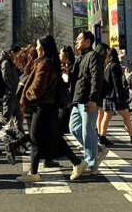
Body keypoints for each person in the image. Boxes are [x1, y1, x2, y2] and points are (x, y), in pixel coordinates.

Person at [16, 35, 88, 183]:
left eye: (38, 46)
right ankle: (77, 162)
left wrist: (26, 97)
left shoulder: (45, 64)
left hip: (43, 106)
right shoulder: (47, 62)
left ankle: (34, 173)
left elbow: (38, 88)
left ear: (44, 47)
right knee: (53, 138)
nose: (36, 48)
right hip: (47, 107)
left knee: (35, 137)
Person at [69, 30, 108, 176]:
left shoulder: (94, 56)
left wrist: (93, 99)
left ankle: (92, 164)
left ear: (88, 41)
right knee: (73, 128)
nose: (76, 41)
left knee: (88, 132)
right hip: (77, 99)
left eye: (79, 39)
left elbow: (96, 79)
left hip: (88, 100)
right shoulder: (80, 57)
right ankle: (98, 150)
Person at [98, 48, 132, 145]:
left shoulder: (107, 66)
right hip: (115, 96)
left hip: (107, 95)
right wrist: (120, 95)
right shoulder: (115, 66)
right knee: (126, 116)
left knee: (106, 117)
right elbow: (116, 82)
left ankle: (102, 136)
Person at [0, 45, 23, 139]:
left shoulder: (10, 62)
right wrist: (14, 86)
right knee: (6, 117)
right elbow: (6, 77)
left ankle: (21, 140)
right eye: (18, 53)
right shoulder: (6, 62)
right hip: (10, 93)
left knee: (18, 118)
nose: (19, 56)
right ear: (12, 52)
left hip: (14, 93)